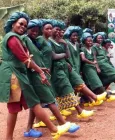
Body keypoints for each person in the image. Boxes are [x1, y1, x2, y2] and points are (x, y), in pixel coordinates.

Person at [0, 12, 70, 140]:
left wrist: (39, 68)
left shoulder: (17, 37)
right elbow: (24, 59)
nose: (23, 27)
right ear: (13, 23)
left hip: (17, 73)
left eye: (25, 25)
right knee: (31, 102)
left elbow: (25, 59)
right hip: (13, 75)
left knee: (17, 107)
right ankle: (54, 129)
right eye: (21, 23)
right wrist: (40, 71)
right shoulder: (12, 38)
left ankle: (9, 138)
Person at [22, 19, 80, 137]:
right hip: (35, 73)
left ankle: (29, 129)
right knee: (49, 98)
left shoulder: (35, 40)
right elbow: (27, 58)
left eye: (36, 30)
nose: (34, 31)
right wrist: (39, 70)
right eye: (32, 29)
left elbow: (40, 56)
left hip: (42, 71)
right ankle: (63, 123)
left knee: (35, 102)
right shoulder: (27, 40)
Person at [49, 20, 103, 118]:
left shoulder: (62, 42)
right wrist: (64, 56)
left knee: (74, 85)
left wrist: (64, 47)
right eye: (57, 29)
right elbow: (54, 56)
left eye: (60, 30)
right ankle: (79, 110)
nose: (59, 32)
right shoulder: (49, 41)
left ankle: (93, 98)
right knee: (65, 88)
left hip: (66, 66)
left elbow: (67, 55)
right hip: (56, 69)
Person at [80, 33, 115, 106]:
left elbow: (94, 57)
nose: (90, 42)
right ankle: (107, 96)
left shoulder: (92, 49)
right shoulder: (83, 49)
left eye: (91, 41)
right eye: (88, 41)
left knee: (91, 84)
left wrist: (96, 66)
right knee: (97, 83)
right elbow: (83, 59)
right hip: (87, 68)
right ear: (84, 41)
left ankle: (88, 100)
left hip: (92, 67)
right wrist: (92, 63)